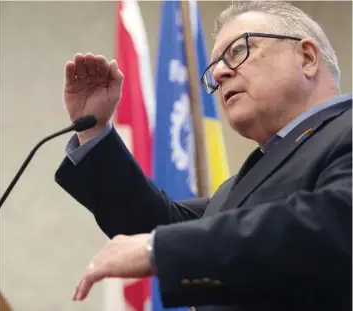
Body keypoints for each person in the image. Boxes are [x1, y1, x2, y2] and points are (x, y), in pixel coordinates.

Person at [55, 1, 352, 310]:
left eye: (237, 51)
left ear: (306, 57)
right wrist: (94, 131)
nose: (220, 72)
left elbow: (335, 224)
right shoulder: (238, 186)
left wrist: (158, 248)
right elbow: (163, 228)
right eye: (214, 68)